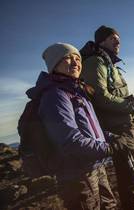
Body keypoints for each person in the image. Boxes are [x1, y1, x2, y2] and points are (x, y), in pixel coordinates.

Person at [27, 43, 120, 210]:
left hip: (94, 164)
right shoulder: (55, 96)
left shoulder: (78, 91)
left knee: (109, 206)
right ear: (54, 65)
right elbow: (69, 141)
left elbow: (91, 129)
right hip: (76, 174)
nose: (75, 62)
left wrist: (110, 138)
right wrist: (108, 148)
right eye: (68, 58)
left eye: (78, 58)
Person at [80, 26, 134, 210]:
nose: (118, 42)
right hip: (117, 128)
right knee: (131, 174)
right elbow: (100, 97)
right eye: (112, 38)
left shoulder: (111, 64)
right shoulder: (95, 63)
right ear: (101, 41)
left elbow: (114, 93)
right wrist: (131, 105)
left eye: (118, 38)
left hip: (128, 122)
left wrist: (131, 99)